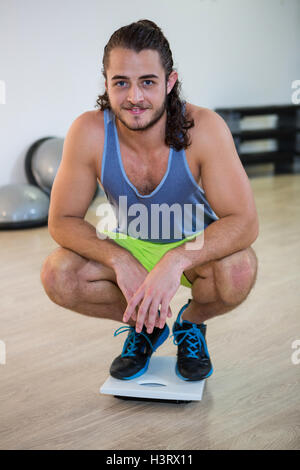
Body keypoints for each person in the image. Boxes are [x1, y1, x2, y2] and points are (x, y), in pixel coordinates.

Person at [41, 19, 259, 382]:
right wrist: (117, 257)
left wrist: (176, 260)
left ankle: (189, 324)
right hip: (132, 243)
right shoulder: (88, 132)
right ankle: (146, 325)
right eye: (121, 82)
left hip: (196, 246)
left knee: (239, 270)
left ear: (170, 82)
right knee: (58, 274)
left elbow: (244, 222)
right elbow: (61, 219)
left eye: (148, 82)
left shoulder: (205, 128)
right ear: (107, 83)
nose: (134, 97)